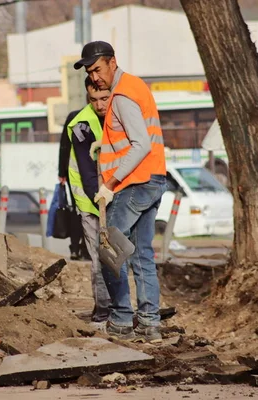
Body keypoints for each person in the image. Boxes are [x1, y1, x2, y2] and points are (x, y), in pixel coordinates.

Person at [75, 41, 167, 343]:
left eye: (98, 69)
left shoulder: (124, 94)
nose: (95, 77)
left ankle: (121, 319)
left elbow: (140, 144)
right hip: (151, 179)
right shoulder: (134, 86)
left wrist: (109, 184)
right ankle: (150, 324)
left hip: (134, 183)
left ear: (112, 62)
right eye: (90, 72)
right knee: (141, 255)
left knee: (109, 250)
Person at [66, 76, 112, 327]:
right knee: (99, 256)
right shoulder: (82, 124)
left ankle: (118, 307)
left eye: (104, 98)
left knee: (115, 256)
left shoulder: (117, 115)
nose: (99, 104)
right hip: (90, 198)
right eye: (93, 100)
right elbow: (87, 171)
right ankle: (103, 310)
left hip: (109, 195)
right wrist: (102, 202)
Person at [58, 111, 89, 261]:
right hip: (79, 172)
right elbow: (65, 143)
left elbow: (64, 145)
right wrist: (62, 171)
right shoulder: (79, 117)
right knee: (85, 210)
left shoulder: (73, 116)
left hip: (74, 172)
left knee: (79, 210)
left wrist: (61, 171)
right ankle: (82, 247)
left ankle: (77, 247)